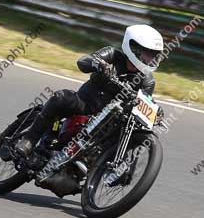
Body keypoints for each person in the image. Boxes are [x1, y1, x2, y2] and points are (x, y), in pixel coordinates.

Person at [14, 25, 164, 165]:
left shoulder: (147, 81)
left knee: (124, 137)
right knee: (61, 97)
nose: (150, 59)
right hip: (84, 104)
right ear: (133, 47)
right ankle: (29, 140)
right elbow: (83, 61)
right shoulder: (112, 55)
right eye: (147, 54)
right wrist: (97, 64)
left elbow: (145, 101)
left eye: (153, 56)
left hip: (108, 123)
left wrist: (156, 111)